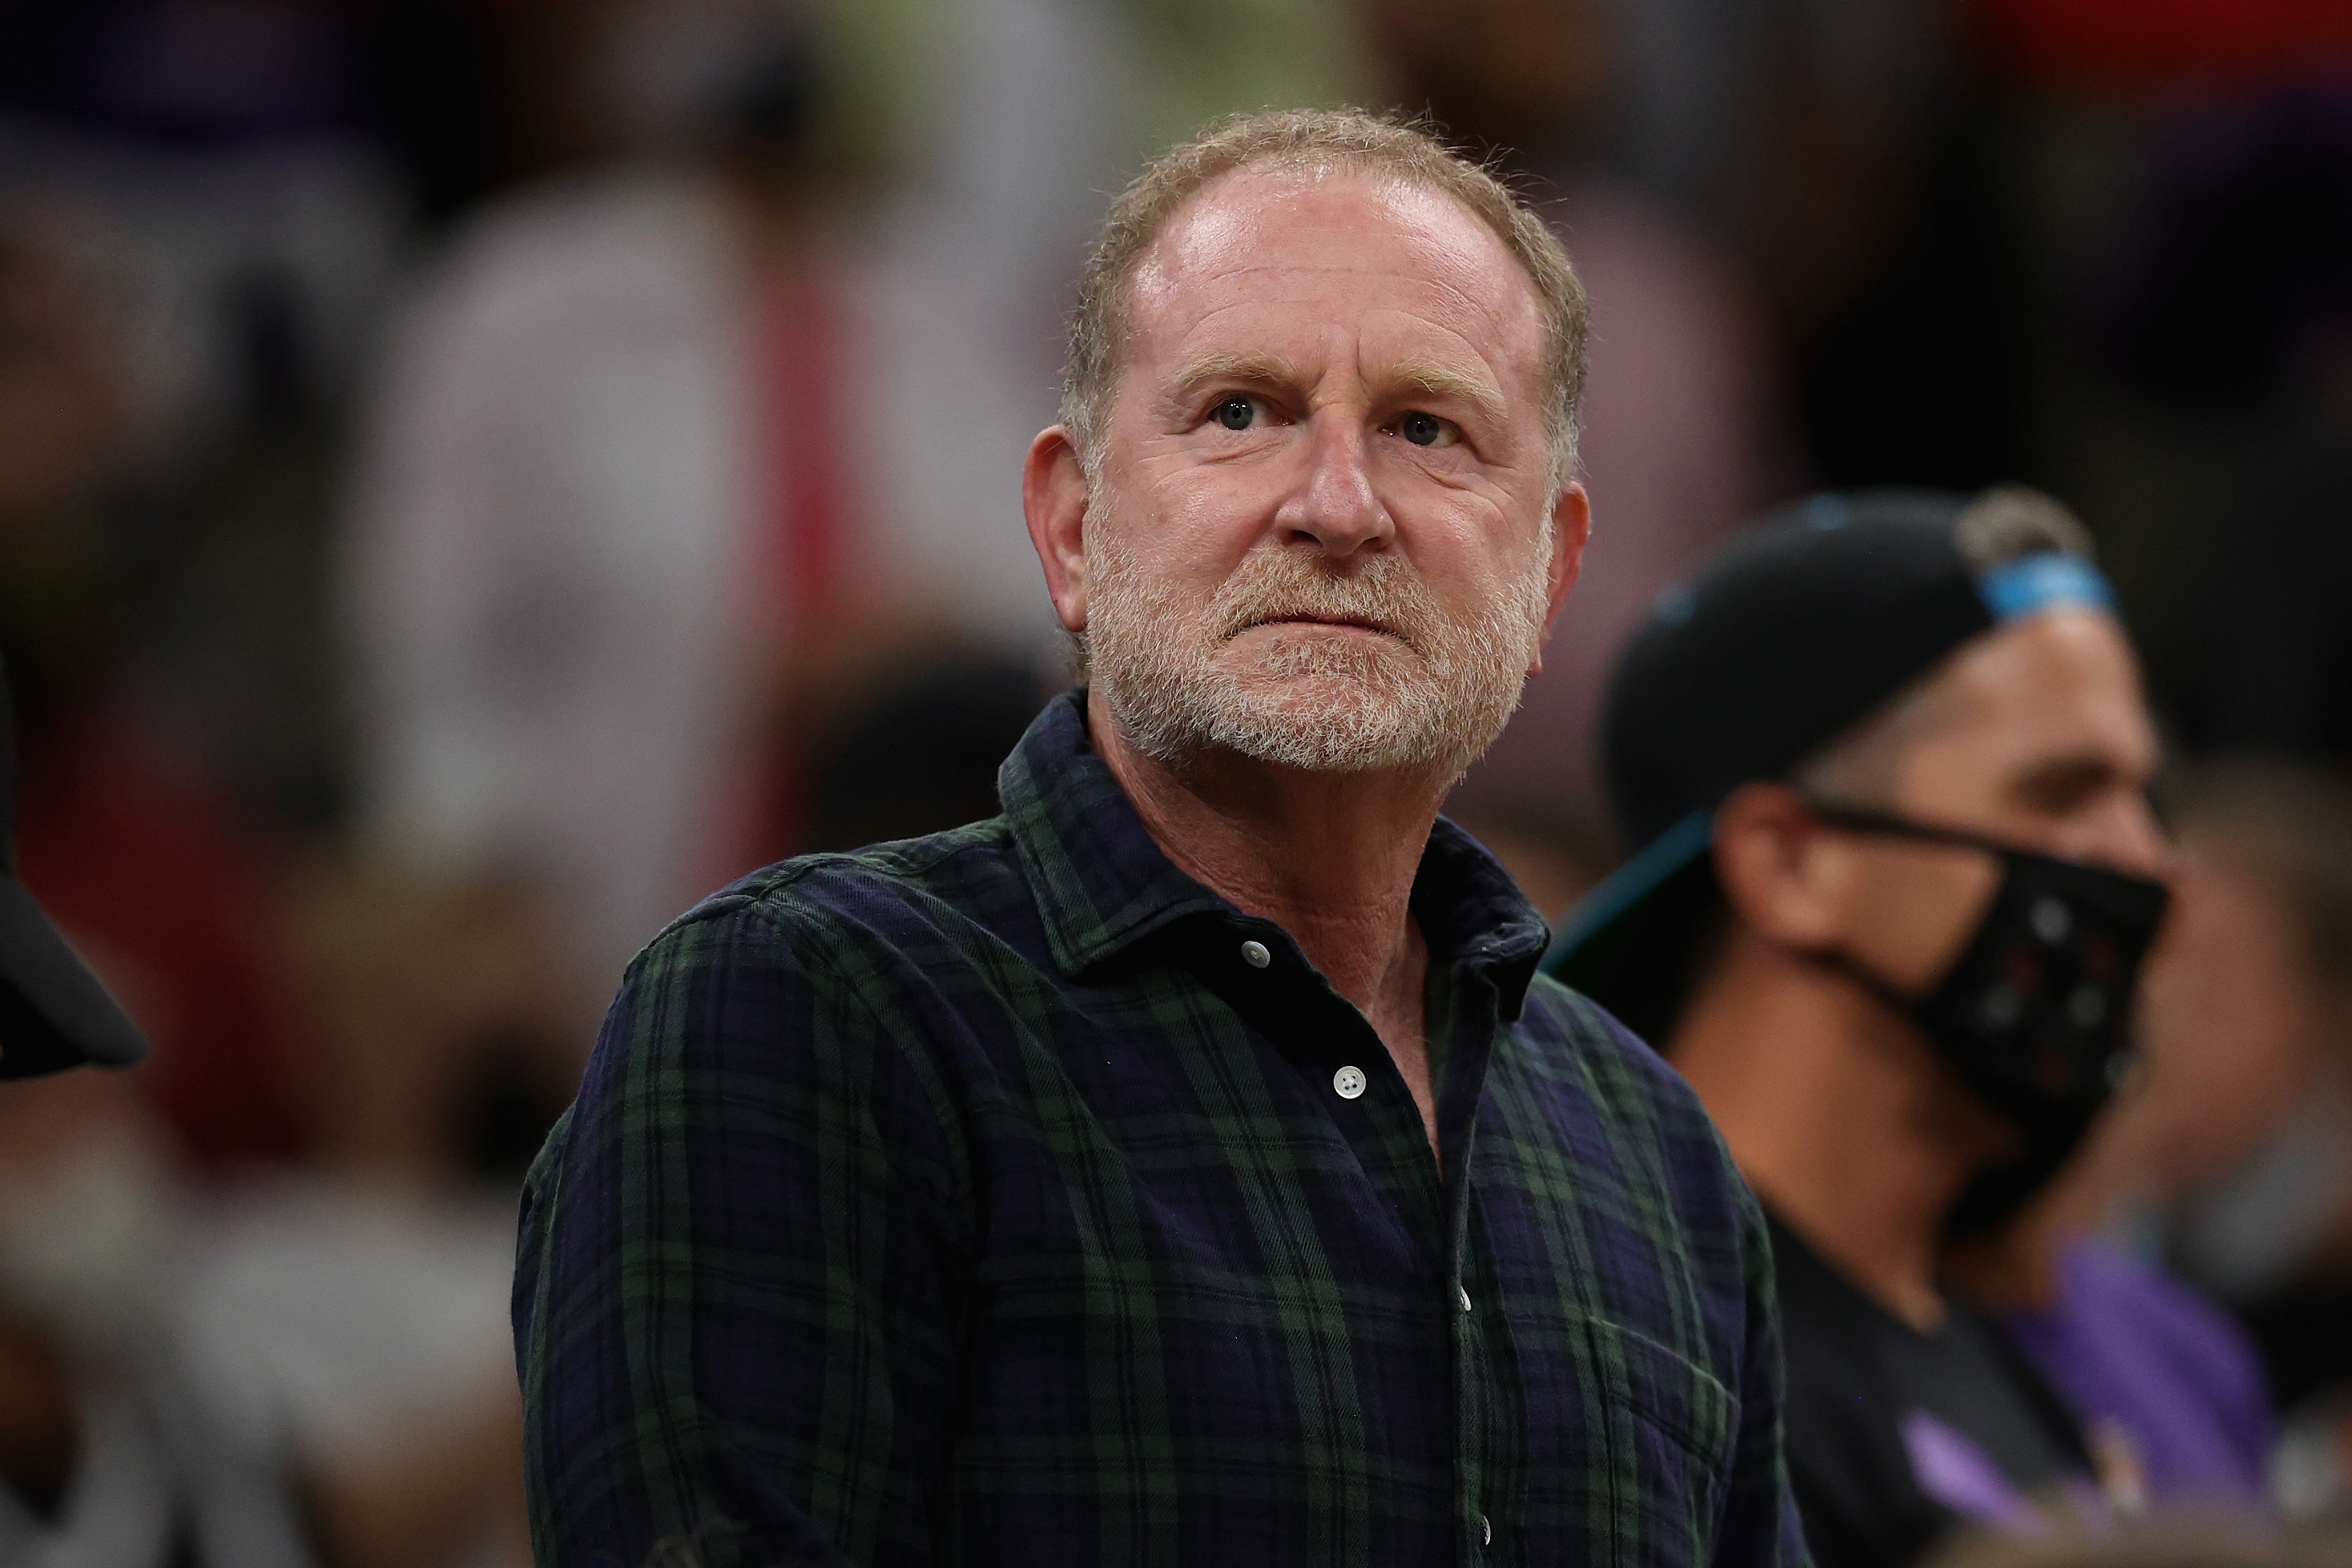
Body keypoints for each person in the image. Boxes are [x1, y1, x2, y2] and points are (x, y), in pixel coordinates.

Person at [515, 109, 1806, 1568]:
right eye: (1240, 412)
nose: (1337, 506)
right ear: (1072, 530)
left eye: (1427, 429)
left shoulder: (1661, 1156)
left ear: (1553, 570)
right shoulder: (804, 1013)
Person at [1549, 488, 2177, 1566]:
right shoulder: (1634, 1343)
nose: (2147, 861)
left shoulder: (1995, 1354)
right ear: (1790, 864)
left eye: (2141, 797)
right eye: (2062, 793)